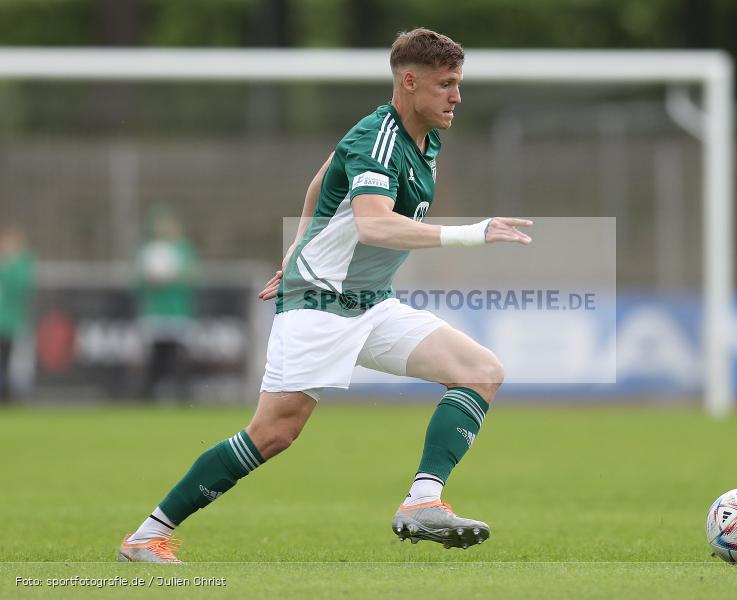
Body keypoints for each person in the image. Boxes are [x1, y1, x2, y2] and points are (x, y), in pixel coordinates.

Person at [118, 28, 532, 563]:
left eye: (458, 83)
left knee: (481, 370)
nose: (457, 96)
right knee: (273, 433)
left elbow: (320, 180)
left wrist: (297, 242)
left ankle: (421, 502)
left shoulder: (426, 136)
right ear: (409, 81)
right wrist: (470, 233)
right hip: (319, 301)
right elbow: (375, 225)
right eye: (446, 84)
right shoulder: (377, 137)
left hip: (370, 302)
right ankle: (147, 535)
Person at [134, 208, 198, 403]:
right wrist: (150, 280)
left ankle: (182, 395)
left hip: (178, 313)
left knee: (178, 356)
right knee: (156, 357)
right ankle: (150, 395)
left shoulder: (183, 250)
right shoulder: (148, 251)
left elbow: (192, 276)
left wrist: (175, 276)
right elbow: (136, 281)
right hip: (156, 313)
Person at [0, 226, 35, 404]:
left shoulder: (21, 264)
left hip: (11, 322)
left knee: (11, 360)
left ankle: (10, 394)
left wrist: (10, 265)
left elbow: (21, 288)